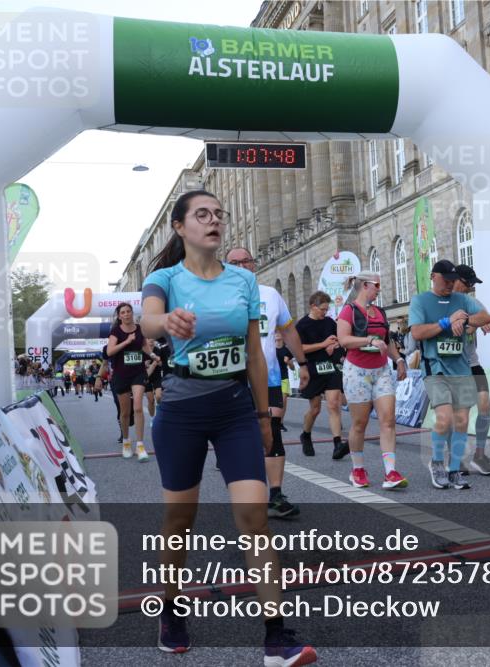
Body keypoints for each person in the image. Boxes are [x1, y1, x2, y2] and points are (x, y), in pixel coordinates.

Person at [141, 190, 316, 662]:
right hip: (181, 412)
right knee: (180, 520)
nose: (213, 220)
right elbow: (148, 321)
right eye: (202, 214)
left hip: (235, 408)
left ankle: (276, 636)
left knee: (255, 517)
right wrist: (167, 321)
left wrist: (263, 415)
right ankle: (172, 608)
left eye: (219, 214)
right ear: (180, 227)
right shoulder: (165, 279)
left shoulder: (243, 280)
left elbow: (255, 353)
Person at [225, 247, 309, 519]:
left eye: (245, 261)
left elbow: (288, 330)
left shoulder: (270, 295)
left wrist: (302, 363)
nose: (241, 266)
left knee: (272, 430)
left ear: (254, 264)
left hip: (268, 376)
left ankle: (275, 495)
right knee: (238, 436)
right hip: (231, 377)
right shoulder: (218, 296)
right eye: (234, 263)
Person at [408, 260, 490, 490]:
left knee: (462, 421)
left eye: (452, 280)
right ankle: (437, 462)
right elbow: (417, 332)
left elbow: (486, 318)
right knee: (444, 417)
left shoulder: (462, 300)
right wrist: (447, 322)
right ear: (433, 276)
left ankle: (454, 468)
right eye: (445, 279)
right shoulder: (420, 301)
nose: (449, 284)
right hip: (435, 368)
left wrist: (465, 320)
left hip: (462, 368)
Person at [335, 271, 408, 489]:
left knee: (388, 420)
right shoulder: (349, 311)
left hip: (381, 370)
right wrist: (369, 340)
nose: (379, 289)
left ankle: (391, 472)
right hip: (357, 371)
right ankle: (357, 469)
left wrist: (398, 360)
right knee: (360, 423)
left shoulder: (380, 312)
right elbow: (343, 340)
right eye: (376, 285)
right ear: (365, 285)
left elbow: (387, 342)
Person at [453, 263, 490, 475]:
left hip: (473, 363)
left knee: (484, 405)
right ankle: (455, 458)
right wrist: (468, 324)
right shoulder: (442, 302)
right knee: (459, 415)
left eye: (473, 284)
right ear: (455, 280)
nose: (470, 288)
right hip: (452, 366)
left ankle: (479, 455)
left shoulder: (473, 302)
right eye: (467, 283)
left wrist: (484, 324)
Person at [296, 291, 349, 460]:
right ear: (313, 306)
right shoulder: (302, 325)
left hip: (330, 367)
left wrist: (335, 345)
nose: (325, 313)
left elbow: (339, 339)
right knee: (315, 409)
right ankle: (306, 435)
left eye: (327, 309)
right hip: (312, 368)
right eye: (322, 309)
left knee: (334, 404)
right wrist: (323, 345)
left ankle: (337, 444)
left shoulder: (329, 322)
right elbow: (299, 348)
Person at [106, 303, 153, 462]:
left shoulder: (139, 329)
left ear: (132, 313)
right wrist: (126, 341)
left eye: (128, 311)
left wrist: (153, 356)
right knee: (125, 412)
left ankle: (140, 446)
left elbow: (145, 346)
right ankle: (126, 442)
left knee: (138, 407)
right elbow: (109, 351)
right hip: (121, 375)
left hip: (138, 373)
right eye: (123, 312)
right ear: (119, 316)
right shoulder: (116, 331)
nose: (126, 314)